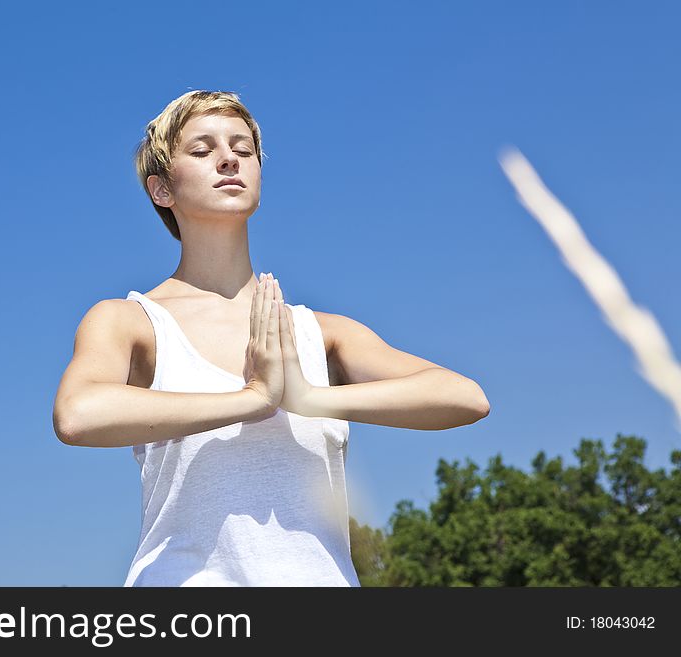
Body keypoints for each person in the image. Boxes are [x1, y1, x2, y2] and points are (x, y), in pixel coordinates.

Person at [52, 90, 491, 586]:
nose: (228, 159)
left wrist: (307, 397)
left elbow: (465, 397)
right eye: (202, 150)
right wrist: (253, 399)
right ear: (162, 190)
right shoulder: (130, 321)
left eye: (243, 149)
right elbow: (78, 414)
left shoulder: (320, 332)